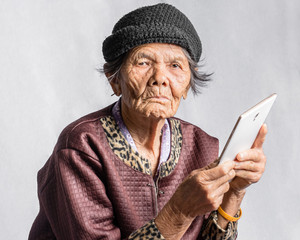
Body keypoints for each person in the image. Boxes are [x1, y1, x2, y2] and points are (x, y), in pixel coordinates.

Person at [29, 3, 267, 240]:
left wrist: (235, 191)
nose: (160, 78)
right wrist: (180, 210)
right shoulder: (81, 147)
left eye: (175, 66)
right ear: (115, 81)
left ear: (186, 85)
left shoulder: (201, 145)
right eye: (143, 63)